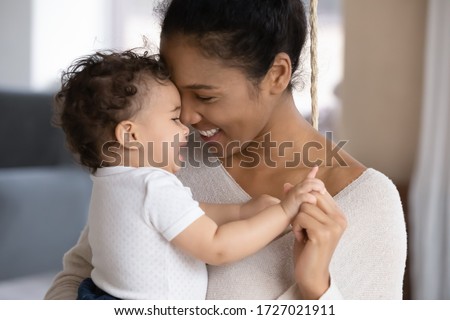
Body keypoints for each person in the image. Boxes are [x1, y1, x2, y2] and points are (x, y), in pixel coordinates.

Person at [45, 0, 407, 300]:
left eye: (205, 95)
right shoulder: (159, 160)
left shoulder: (366, 202)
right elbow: (75, 280)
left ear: (277, 75)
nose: (185, 116)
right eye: (176, 91)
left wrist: (317, 291)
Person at [51, 50, 326, 300]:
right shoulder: (152, 185)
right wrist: (284, 213)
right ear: (130, 134)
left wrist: (243, 211)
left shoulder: (111, 181)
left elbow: (188, 213)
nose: (185, 128)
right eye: (173, 118)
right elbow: (217, 247)